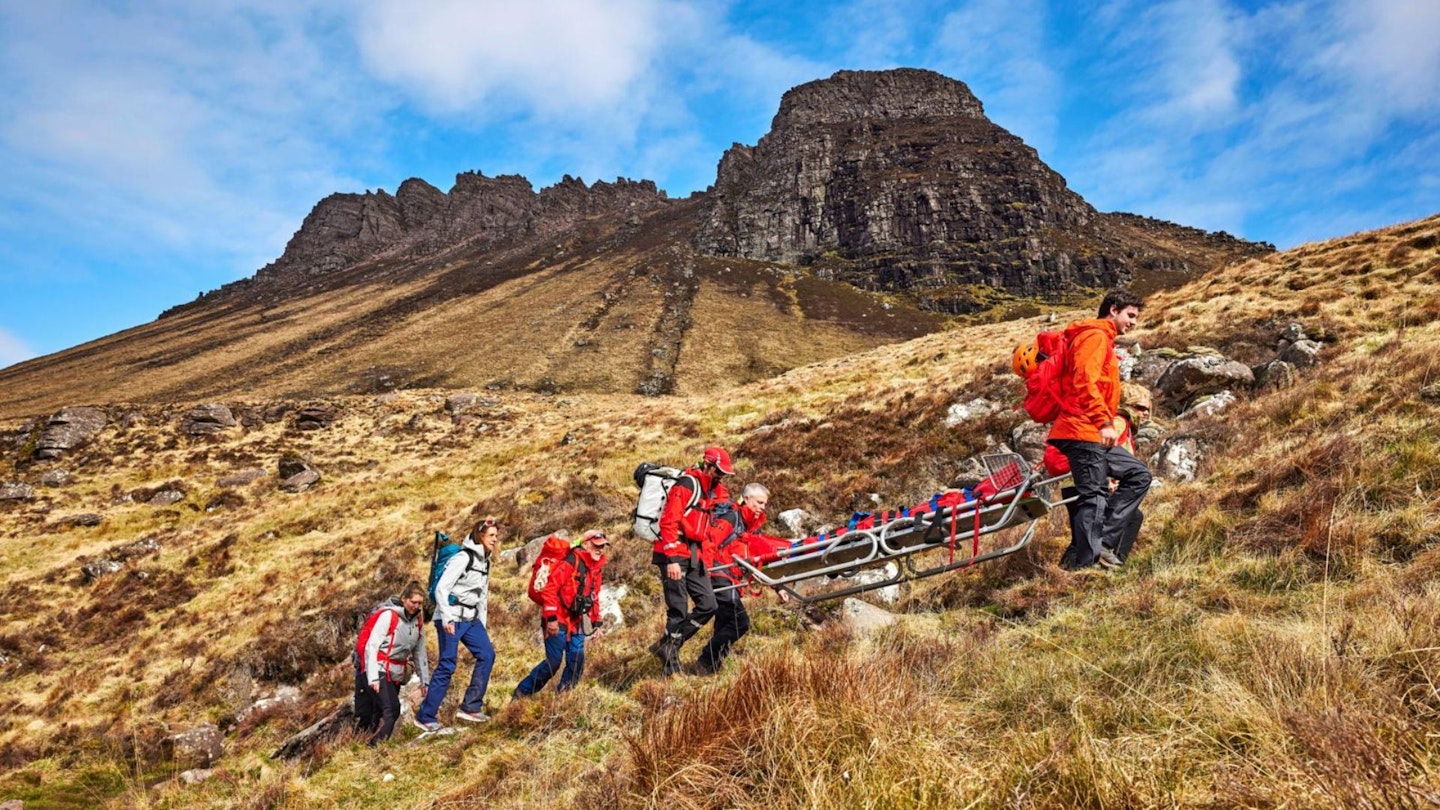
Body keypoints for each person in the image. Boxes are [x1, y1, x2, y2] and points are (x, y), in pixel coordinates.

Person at [1047, 290, 1153, 570]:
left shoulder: (1102, 339)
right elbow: (1084, 381)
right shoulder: (1094, 336)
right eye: (1130, 315)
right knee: (1093, 497)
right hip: (1083, 429)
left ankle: (1101, 545)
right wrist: (1104, 422)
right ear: (1113, 310)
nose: (1133, 322)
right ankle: (1087, 564)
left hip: (1089, 431)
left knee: (1138, 475)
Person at [649, 446, 733, 676]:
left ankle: (668, 645)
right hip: (674, 553)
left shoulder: (710, 491)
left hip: (694, 555)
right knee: (678, 610)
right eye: (719, 472)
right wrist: (672, 559)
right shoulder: (686, 485)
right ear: (707, 465)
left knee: (709, 605)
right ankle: (671, 671)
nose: (721, 477)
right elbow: (668, 522)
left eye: (724, 474)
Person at [1048, 381, 1152, 566]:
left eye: (1148, 409)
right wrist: (1107, 480)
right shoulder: (1119, 422)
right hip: (1087, 480)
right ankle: (1106, 561)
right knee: (1096, 528)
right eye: (1140, 407)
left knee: (1084, 534)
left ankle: (1068, 572)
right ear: (1127, 405)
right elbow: (1099, 452)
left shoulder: (1122, 425)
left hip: (1076, 482)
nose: (1145, 413)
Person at [695, 482, 789, 675]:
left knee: (724, 625)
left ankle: (708, 669)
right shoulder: (731, 518)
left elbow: (760, 560)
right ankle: (705, 660)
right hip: (719, 576)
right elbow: (709, 544)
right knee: (740, 623)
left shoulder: (751, 527)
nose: (763, 507)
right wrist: (706, 574)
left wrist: (778, 586)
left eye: (765, 504)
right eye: (760, 502)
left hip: (731, 580)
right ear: (747, 499)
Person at [414, 517, 498, 729]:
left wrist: (482, 624)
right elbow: (442, 588)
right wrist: (448, 618)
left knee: (487, 654)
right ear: (480, 536)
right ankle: (426, 716)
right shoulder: (463, 558)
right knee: (447, 664)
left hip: (471, 619)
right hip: (450, 618)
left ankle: (470, 707)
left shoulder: (485, 561)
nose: (495, 540)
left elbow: (482, 596)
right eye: (491, 536)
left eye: (496, 536)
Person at [513, 529, 610, 696]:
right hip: (557, 618)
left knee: (576, 661)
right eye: (596, 545)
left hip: (577, 619)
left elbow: (593, 596)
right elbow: (549, 590)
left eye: (603, 546)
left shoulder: (596, 568)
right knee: (553, 663)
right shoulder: (570, 562)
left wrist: (596, 623)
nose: (600, 550)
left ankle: (563, 699)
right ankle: (522, 693)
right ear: (586, 544)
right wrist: (551, 619)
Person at [353, 582, 430, 745]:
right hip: (379, 669)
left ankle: (364, 747)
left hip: (395, 673)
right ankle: (374, 747)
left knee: (380, 712)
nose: (416, 606)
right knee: (392, 710)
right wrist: (372, 677)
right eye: (413, 602)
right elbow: (372, 646)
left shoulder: (417, 622)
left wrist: (425, 681)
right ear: (404, 599)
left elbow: (419, 652)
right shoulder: (388, 616)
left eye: (419, 603)